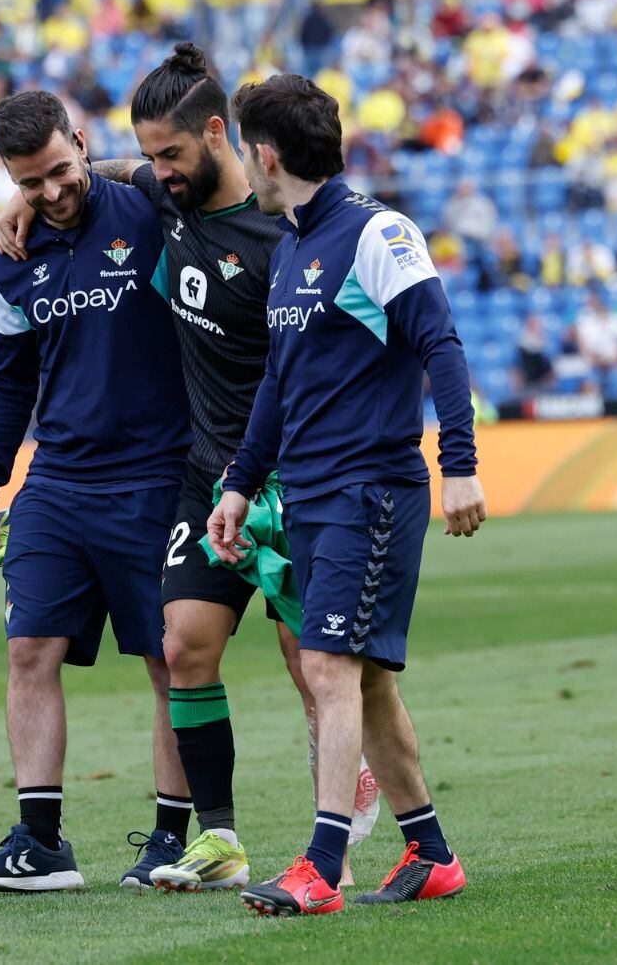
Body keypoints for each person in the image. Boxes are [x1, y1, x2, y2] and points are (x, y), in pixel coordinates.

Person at [0, 44, 378, 891]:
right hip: (208, 477)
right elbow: (101, 173)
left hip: (289, 477)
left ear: (216, 134)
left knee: (313, 663)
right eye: (151, 156)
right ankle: (221, 839)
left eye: (171, 154)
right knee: (183, 646)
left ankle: (342, 836)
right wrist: (19, 207)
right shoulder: (159, 197)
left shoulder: (288, 237)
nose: (159, 171)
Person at [210, 75, 485, 915]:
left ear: (264, 153)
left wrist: (461, 462)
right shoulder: (290, 244)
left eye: (239, 149)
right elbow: (277, 387)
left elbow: (439, 341)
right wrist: (239, 483)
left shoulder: (377, 233)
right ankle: (431, 853)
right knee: (365, 685)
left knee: (328, 664)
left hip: (373, 491)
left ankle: (321, 867)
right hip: (313, 496)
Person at [0, 91, 193, 893]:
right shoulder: (8, 257)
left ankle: (170, 838)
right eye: (29, 184)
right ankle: (41, 840)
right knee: (28, 650)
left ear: (82, 143)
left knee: (169, 661)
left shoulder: (150, 209)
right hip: (57, 478)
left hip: (159, 473)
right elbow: (10, 377)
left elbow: (209, 180)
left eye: (61, 171)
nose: (51, 194)